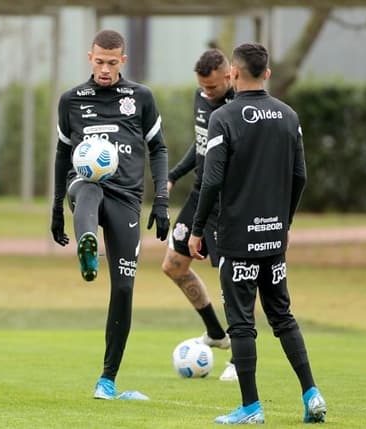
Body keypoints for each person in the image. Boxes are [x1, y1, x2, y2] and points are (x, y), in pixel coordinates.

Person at [188, 42, 326, 424]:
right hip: (273, 237)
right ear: (266, 73)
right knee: (283, 316)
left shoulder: (225, 118)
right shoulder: (288, 116)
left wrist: (198, 230)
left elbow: (211, 180)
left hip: (237, 236)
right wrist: (285, 221)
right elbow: (301, 176)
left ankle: (250, 408)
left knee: (242, 322)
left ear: (232, 73)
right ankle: (311, 394)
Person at [50, 29, 169, 400]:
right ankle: (88, 245)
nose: (104, 69)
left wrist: (162, 199)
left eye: (112, 63)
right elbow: (61, 155)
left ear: (123, 60)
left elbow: (159, 149)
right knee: (88, 184)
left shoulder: (141, 97)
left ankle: (107, 381)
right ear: (90, 58)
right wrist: (56, 208)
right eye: (99, 62)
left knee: (123, 288)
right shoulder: (72, 100)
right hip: (83, 188)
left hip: (127, 199)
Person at [162, 49, 237, 382]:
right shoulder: (202, 96)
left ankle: (240, 356)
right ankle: (216, 334)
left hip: (228, 204)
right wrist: (174, 174)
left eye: (212, 87)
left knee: (233, 280)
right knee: (174, 266)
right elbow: (202, 143)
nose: (206, 93)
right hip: (198, 196)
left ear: (229, 75)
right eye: (202, 87)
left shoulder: (240, 107)